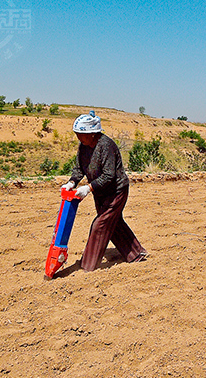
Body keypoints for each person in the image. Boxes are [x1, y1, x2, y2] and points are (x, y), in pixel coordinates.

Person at [62, 111, 147, 271]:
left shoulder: (106, 145)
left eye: (81, 134)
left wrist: (88, 188)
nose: (78, 137)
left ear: (92, 134)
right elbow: (80, 167)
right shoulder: (84, 146)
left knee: (100, 225)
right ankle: (136, 253)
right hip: (101, 192)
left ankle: (88, 266)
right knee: (113, 223)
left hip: (116, 191)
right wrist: (72, 182)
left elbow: (109, 175)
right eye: (77, 134)